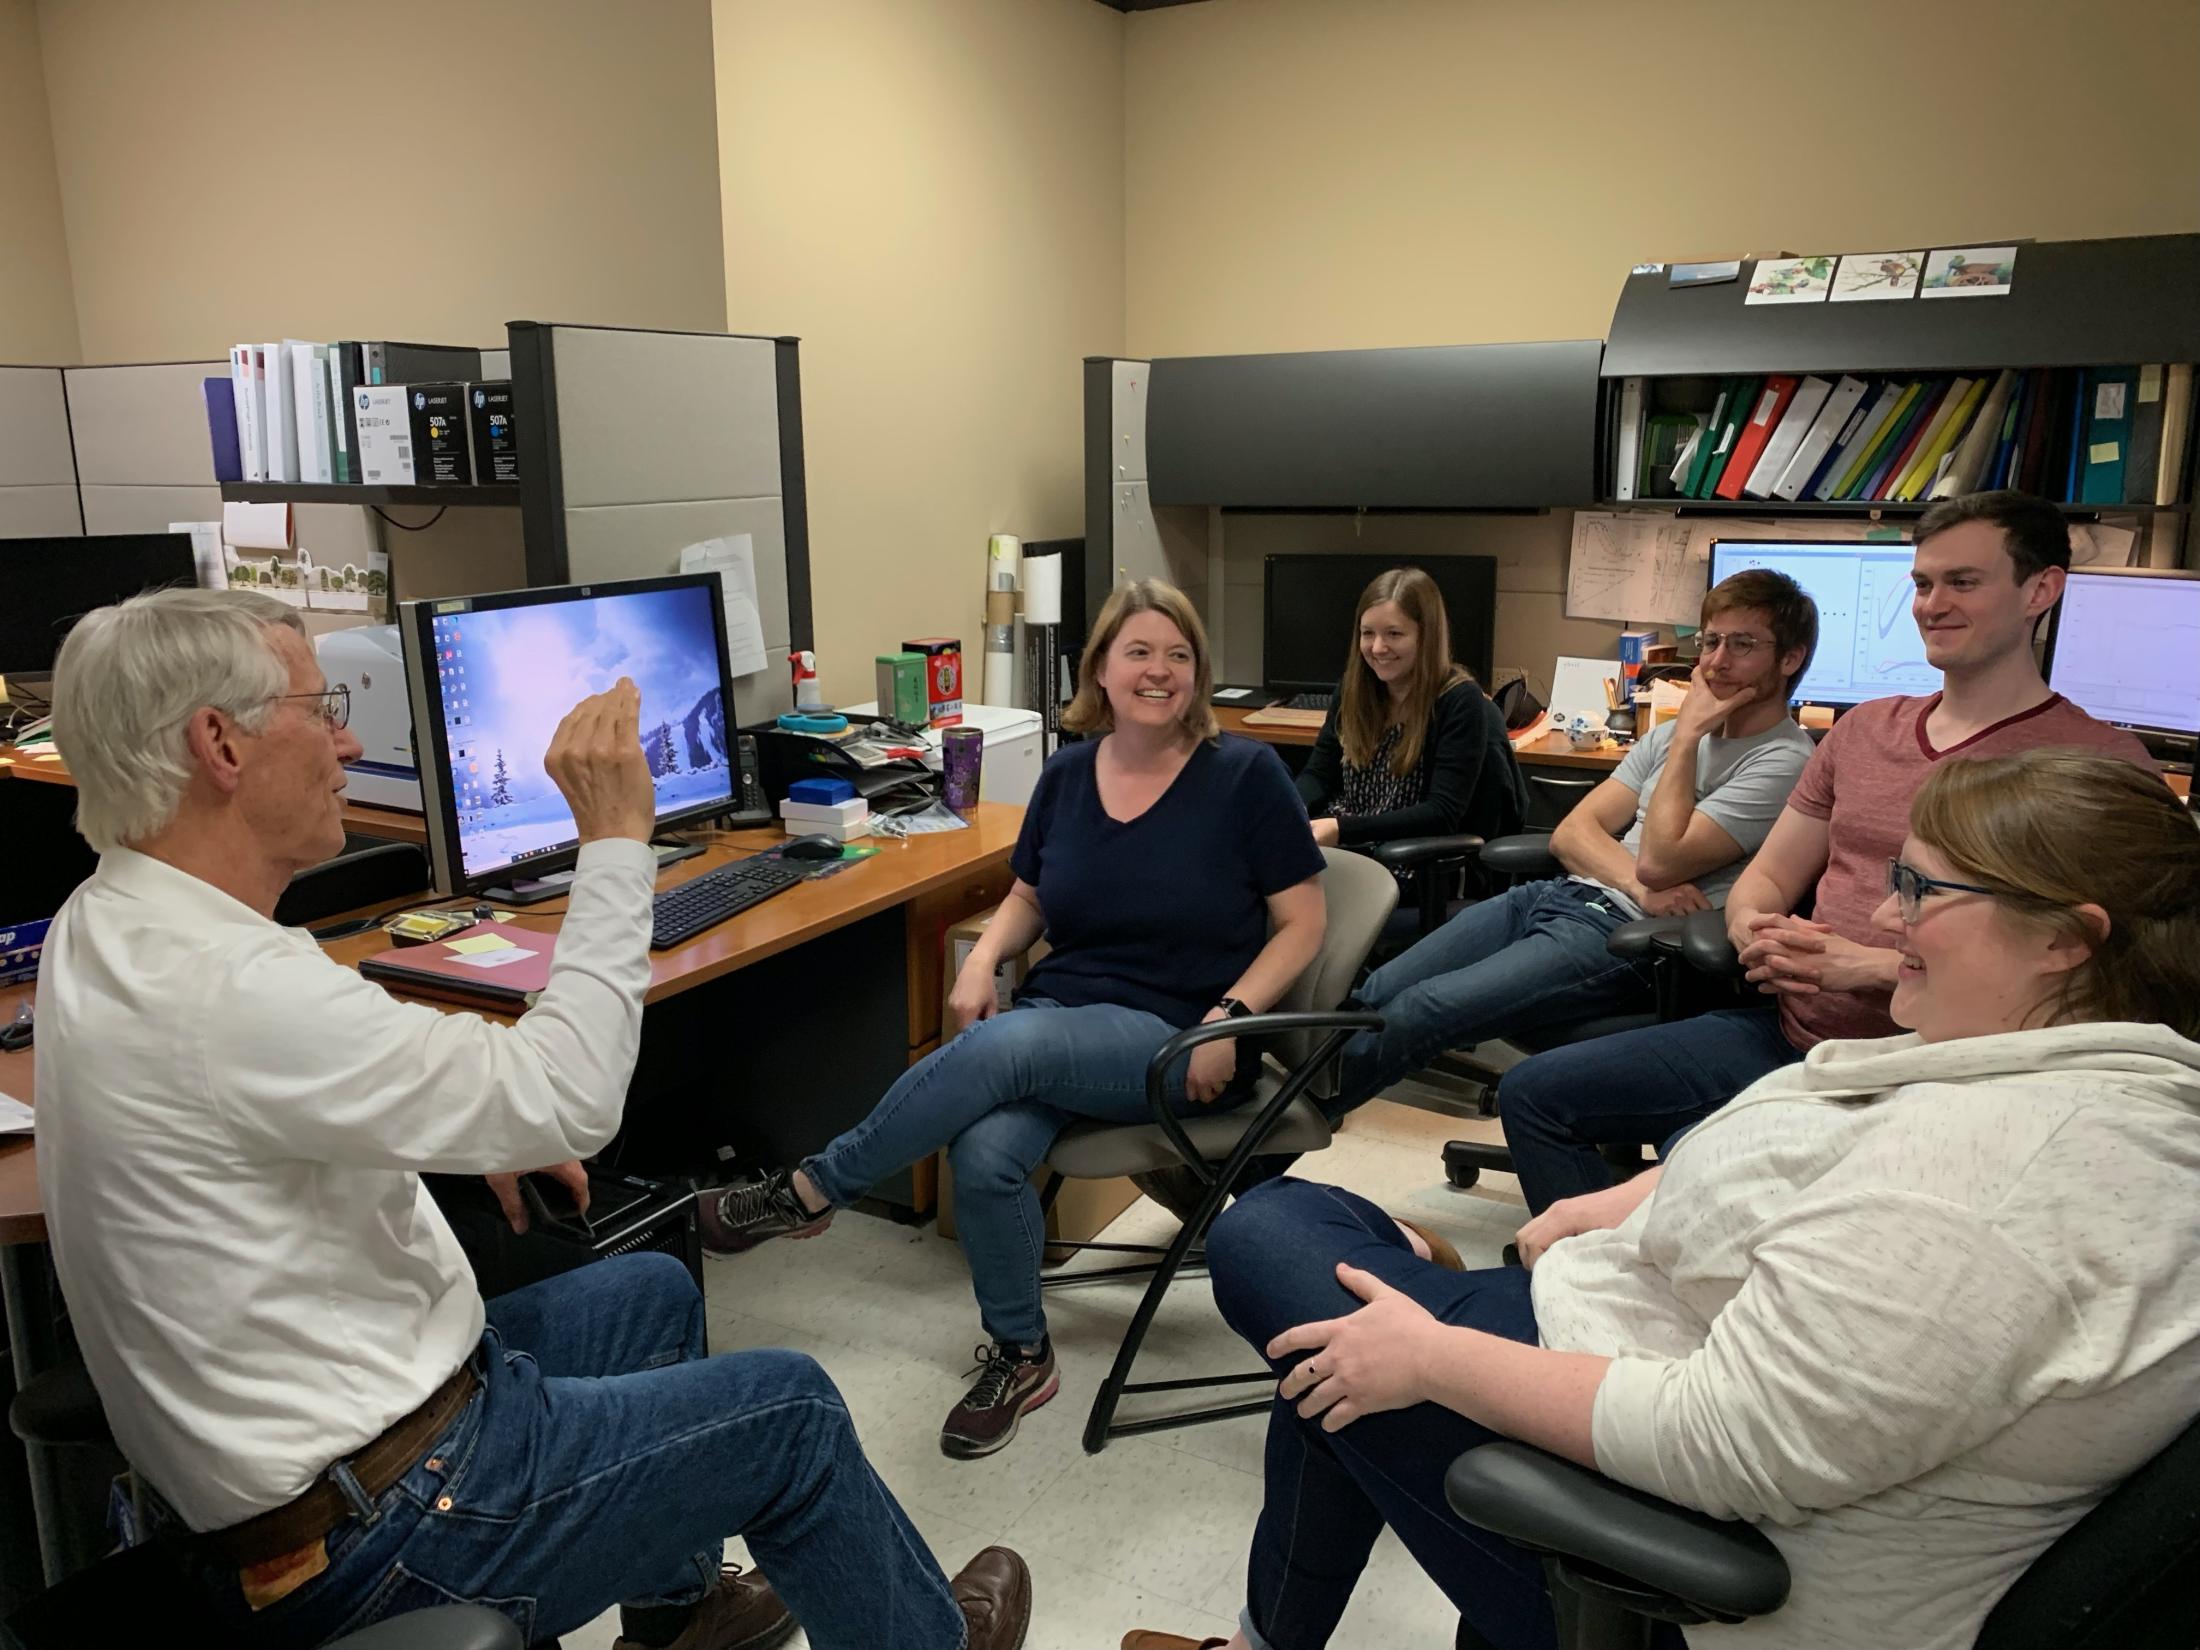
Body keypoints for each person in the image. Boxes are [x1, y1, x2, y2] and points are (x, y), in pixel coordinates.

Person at [36, 589, 1030, 1650]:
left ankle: (683, 1614)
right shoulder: (227, 986)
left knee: (649, 1293)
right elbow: (574, 1095)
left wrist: (468, 1124)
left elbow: (254, 1126)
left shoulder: (105, 926)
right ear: (219, 744)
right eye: (321, 708)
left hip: (314, 1471)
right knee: (789, 1411)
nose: (348, 741)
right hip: (386, 1525)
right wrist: (612, 845)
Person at [1129, 747, 2200, 1650]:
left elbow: (1725, 1445)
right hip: (1655, 1337)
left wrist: (1432, 1358)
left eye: (1923, 892)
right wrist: (1643, 1198)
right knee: (1336, 1351)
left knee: (1279, 1243)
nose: (1884, 912)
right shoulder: (2064, 1080)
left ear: (2067, 938)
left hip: (1678, 1562)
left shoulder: (1990, 1197)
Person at [694, 579, 1328, 1460]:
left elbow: (1306, 922)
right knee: (987, 1155)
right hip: (1063, 1019)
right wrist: (989, 956)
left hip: (1178, 1035)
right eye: (1139, 652)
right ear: (1100, 669)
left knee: (1011, 1044)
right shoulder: (1069, 775)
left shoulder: (1244, 776)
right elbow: (1029, 893)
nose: (1160, 671)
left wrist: (1229, 1019)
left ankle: (809, 1189)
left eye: (1178, 655)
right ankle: (1024, 1353)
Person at [1494, 489, 2157, 1214]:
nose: (1933, 604)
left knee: (1703, 1171)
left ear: (2042, 590)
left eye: (1963, 582)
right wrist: (1757, 928)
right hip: (1791, 1035)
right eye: (1923, 584)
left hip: (1945, 1073)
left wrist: (1866, 968)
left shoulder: (2098, 765)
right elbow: (1769, 877)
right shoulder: (1863, 731)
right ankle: (1599, 1299)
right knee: (1536, 1095)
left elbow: (2118, 977)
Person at [1322, 568, 1817, 1120]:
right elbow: (1571, 834)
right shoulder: (1665, 735)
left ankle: (1272, 1138)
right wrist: (1635, 879)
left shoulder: (1783, 761)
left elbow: (1660, 861)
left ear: (1790, 659)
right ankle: (1269, 1110)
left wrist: (1686, 742)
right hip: (1560, 896)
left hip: (1626, 938)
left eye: (1742, 645)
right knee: (1379, 988)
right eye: (1711, 641)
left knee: (1421, 1009)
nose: (1717, 661)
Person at [1295, 566, 1524, 870]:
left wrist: (1342, 829)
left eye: (1394, 634)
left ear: (1425, 637)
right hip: (1345, 848)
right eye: (1368, 634)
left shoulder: (1458, 701)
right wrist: (1292, 807)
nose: (1377, 648)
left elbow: (1441, 813)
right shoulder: (1353, 690)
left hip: (1410, 860)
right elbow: (1319, 774)